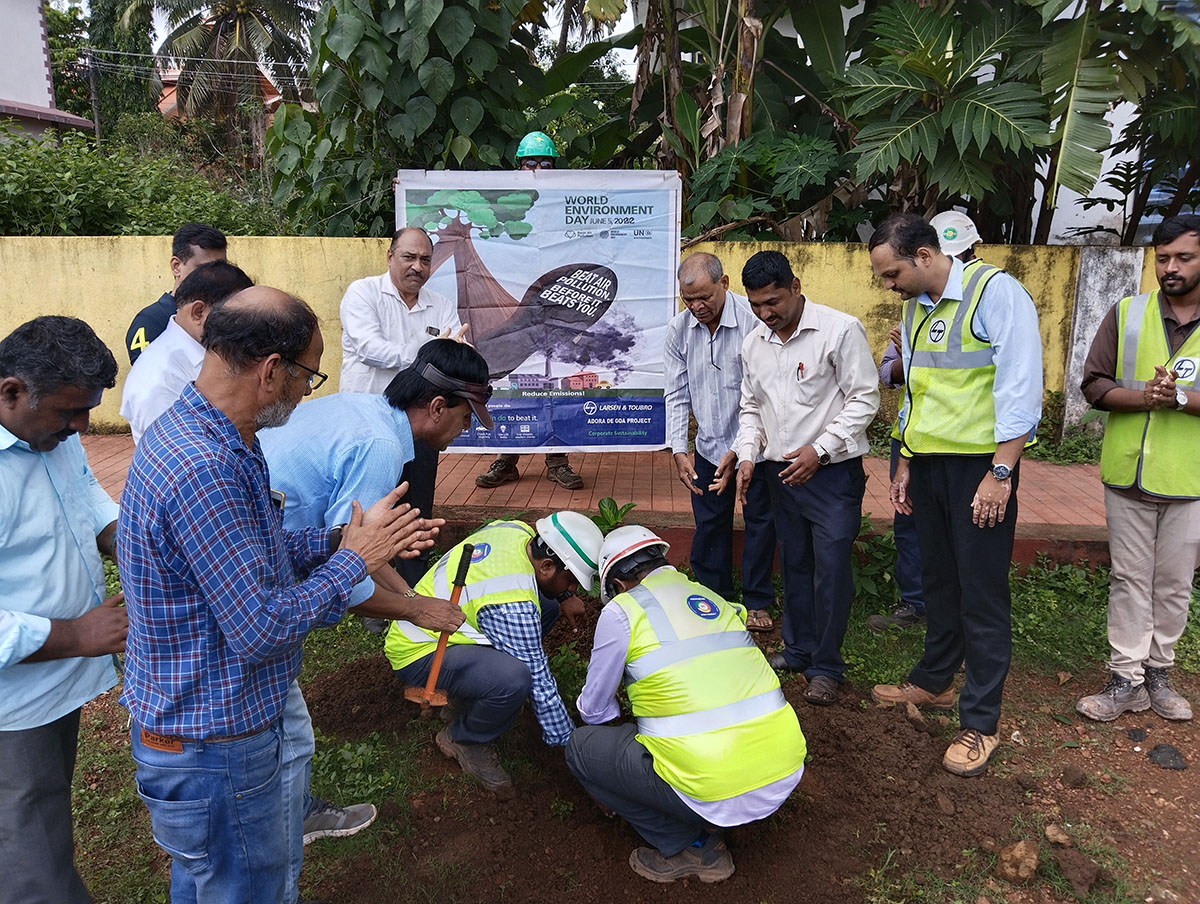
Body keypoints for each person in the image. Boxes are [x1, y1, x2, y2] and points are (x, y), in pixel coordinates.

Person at [117, 287, 434, 902]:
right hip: (213, 742)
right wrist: (352, 561)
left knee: (229, 882)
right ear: (271, 372)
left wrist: (338, 538)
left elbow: (249, 560)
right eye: (308, 376)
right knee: (242, 888)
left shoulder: (221, 440)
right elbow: (262, 626)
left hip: (217, 726)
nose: (306, 392)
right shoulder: (206, 467)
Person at [258, 338, 492, 898]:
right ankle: (280, 830)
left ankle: (284, 814)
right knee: (281, 724)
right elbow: (349, 568)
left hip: (270, 543)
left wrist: (413, 603)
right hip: (264, 568)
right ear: (435, 407)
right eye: (464, 418)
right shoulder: (380, 448)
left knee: (283, 720)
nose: (463, 431)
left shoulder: (367, 410)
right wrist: (414, 609)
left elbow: (361, 551)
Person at [868, 213, 1043, 777]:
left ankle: (981, 722)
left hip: (980, 468)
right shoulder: (915, 308)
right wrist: (906, 463)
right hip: (928, 466)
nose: (887, 284)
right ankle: (934, 681)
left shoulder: (998, 293)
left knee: (981, 592)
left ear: (924, 255)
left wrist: (1002, 472)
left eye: (891, 272)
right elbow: (921, 392)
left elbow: (1020, 386)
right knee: (939, 578)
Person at [566, 526, 806, 884]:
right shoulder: (713, 598)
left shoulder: (622, 612)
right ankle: (725, 815)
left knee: (581, 749)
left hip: (715, 781)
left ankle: (694, 846)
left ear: (617, 585)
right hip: (782, 769)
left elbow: (594, 711)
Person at [714, 251, 879, 707]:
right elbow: (752, 409)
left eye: (774, 302)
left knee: (830, 570)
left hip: (832, 476)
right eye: (757, 305)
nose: (766, 314)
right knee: (795, 564)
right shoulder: (754, 343)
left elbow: (864, 399)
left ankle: (827, 666)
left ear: (796, 286)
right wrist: (748, 455)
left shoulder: (839, 330)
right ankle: (798, 649)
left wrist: (820, 451)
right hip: (778, 474)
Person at [0, 316, 125, 904]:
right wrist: (76, 634)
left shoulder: (45, 437)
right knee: (32, 859)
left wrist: (130, 543)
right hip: (12, 708)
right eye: (70, 413)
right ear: (11, 391)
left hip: (52, 686)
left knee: (43, 821)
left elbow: (87, 498)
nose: (82, 428)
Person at [1075, 213, 1200, 723]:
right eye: (1162, 257)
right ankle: (1125, 677)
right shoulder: (1127, 313)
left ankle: (1159, 672)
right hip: (1127, 476)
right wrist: (1145, 397)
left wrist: (1181, 398)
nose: (1169, 267)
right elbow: (1094, 384)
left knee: (1174, 583)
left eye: (1183, 258)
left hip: (1190, 480)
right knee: (1129, 578)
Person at [384, 511, 604, 798]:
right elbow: (540, 683)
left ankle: (472, 692)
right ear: (548, 566)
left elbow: (539, 579)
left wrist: (563, 597)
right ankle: (463, 738)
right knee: (514, 679)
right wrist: (572, 750)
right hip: (420, 651)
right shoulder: (513, 604)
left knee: (546, 607)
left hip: (442, 626)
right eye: (572, 581)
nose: (575, 589)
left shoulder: (516, 531)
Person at [867, 211, 981, 632]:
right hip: (915, 439)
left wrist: (1001, 465)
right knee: (912, 524)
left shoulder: (989, 298)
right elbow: (892, 376)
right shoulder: (913, 309)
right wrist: (905, 353)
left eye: (961, 254)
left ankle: (965, 618)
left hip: (967, 445)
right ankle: (919, 605)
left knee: (965, 535)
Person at [339, 226, 467, 586]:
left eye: (425, 260)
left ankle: (414, 587)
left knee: (415, 511)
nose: (417, 266)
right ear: (390, 257)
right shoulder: (362, 293)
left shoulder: (440, 304)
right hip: (367, 424)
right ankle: (365, 592)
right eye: (409, 257)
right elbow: (371, 349)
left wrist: (448, 353)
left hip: (419, 425)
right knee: (366, 511)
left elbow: (455, 353)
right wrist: (430, 355)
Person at [666, 252, 777, 631]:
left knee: (760, 521)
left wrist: (742, 449)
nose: (697, 307)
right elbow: (677, 393)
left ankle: (758, 598)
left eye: (705, 298)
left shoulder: (755, 323)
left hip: (757, 450)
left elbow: (766, 395)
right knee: (710, 522)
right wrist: (679, 449)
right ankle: (714, 597)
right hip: (709, 448)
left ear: (725, 284)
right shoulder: (679, 330)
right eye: (688, 300)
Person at [474, 130, 585, 491]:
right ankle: (506, 460)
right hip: (514, 305)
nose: (537, 169)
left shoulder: (569, 200)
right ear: (518, 165)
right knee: (509, 382)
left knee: (552, 380)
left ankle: (557, 461)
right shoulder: (503, 205)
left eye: (545, 163)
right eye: (530, 163)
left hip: (554, 306)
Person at [120, 260, 253, 444]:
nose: (242, 329)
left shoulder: (206, 352)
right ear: (198, 312)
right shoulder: (159, 379)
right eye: (236, 318)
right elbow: (175, 453)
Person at [125, 223, 228, 364]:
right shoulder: (151, 321)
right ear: (176, 266)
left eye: (221, 269)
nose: (215, 276)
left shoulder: (227, 315)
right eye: (204, 268)